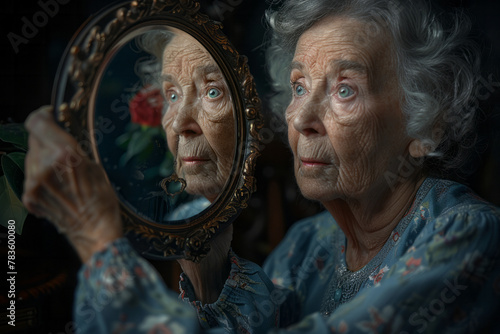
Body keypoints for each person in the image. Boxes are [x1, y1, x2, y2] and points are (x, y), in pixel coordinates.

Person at [22, 0, 500, 333]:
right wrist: (206, 244)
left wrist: (94, 237)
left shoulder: (468, 236)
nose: (300, 118)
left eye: (345, 90)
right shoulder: (305, 246)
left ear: (426, 125)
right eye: (297, 87)